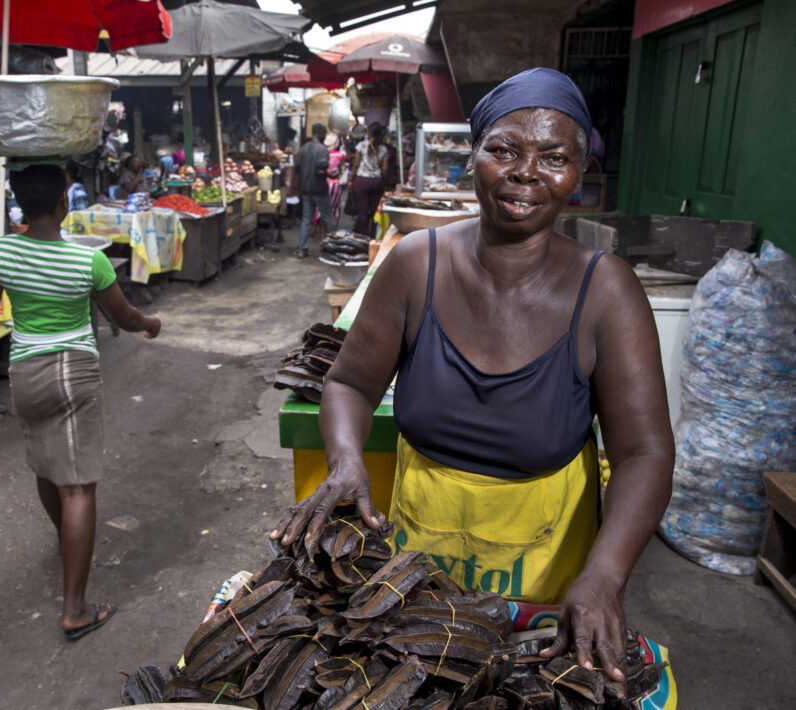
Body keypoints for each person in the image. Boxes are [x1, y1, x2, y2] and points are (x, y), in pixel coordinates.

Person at [271, 68, 674, 683]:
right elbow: (350, 383)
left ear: (580, 175)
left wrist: (604, 575)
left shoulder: (607, 292)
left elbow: (644, 452)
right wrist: (347, 459)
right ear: (473, 157)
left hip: (544, 580)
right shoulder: (415, 264)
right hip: (419, 563)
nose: (525, 172)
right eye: (504, 150)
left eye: (554, 157)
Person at [0, 164, 161, 640]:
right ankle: (76, 610)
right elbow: (123, 315)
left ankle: (68, 544)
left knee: (45, 466)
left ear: (20, 203)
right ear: (64, 203)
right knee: (77, 485)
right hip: (72, 373)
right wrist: (150, 324)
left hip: (25, 374)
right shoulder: (89, 262)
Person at [294, 122, 336, 258]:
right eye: (325, 133)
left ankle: (302, 249)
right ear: (321, 133)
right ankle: (332, 249)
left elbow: (297, 168)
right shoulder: (322, 150)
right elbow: (321, 169)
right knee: (328, 218)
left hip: (306, 189)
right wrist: (330, 174)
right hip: (319, 189)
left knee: (306, 219)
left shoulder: (303, 148)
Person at [348, 123, 389, 238]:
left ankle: (362, 238)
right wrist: (384, 184)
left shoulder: (361, 146)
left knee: (362, 212)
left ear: (369, 133)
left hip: (361, 181)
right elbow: (385, 170)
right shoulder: (384, 149)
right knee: (375, 212)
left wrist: (351, 180)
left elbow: (356, 165)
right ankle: (373, 238)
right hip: (377, 182)